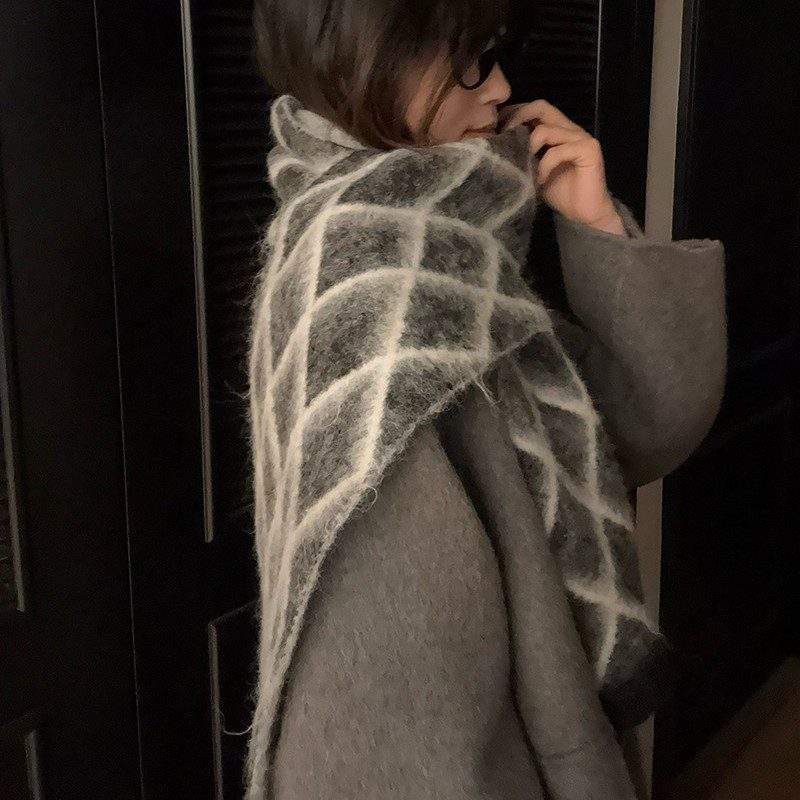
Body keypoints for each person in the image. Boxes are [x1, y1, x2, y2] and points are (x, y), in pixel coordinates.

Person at [245, 1, 728, 798]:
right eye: (467, 57)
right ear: (370, 56)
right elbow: (410, 722)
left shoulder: (440, 240)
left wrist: (596, 222)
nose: (499, 87)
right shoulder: (374, 274)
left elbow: (635, 428)